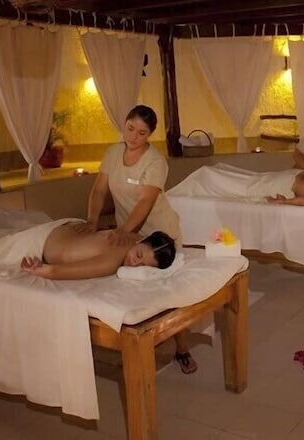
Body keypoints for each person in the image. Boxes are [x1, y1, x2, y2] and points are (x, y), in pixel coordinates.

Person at [77, 105, 197, 374]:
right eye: (130, 129)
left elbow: (145, 202)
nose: (133, 137)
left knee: (169, 292)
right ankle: (139, 340)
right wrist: (92, 221)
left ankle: (182, 349)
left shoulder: (155, 162)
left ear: (149, 134)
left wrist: (123, 231)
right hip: (130, 233)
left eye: (141, 133)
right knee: (133, 286)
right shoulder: (112, 154)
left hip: (159, 233)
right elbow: (99, 190)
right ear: (125, 124)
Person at [168, 164, 304, 206]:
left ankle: (207, 176)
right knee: (245, 188)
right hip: (288, 182)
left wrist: (288, 201)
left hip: (293, 177)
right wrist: (287, 202)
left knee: (249, 182)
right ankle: (204, 179)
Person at [19, 227, 176, 280]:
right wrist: (35, 269)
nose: (135, 264)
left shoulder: (136, 236)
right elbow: (54, 271)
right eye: (139, 255)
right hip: (43, 240)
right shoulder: (111, 261)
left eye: (143, 266)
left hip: (67, 230)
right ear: (141, 241)